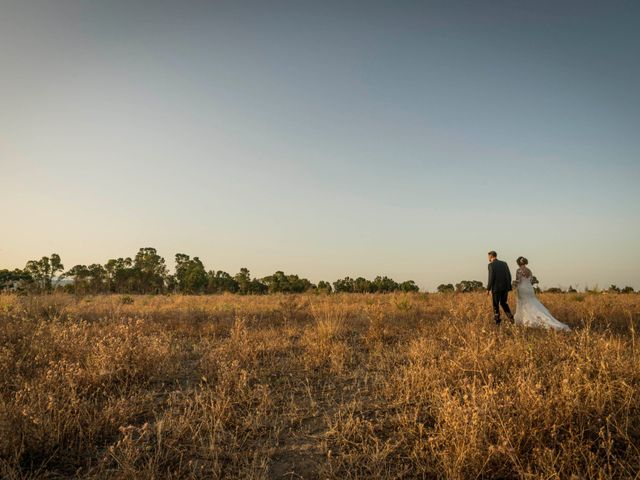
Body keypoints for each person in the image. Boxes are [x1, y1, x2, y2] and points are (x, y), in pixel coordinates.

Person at [513, 257, 570, 330]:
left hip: (522, 289)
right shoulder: (529, 270)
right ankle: (541, 317)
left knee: (523, 304)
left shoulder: (519, 270)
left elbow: (519, 281)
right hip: (530, 288)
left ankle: (527, 320)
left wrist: (514, 284)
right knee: (533, 303)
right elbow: (530, 280)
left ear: (518, 263)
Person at [486, 251, 514, 325]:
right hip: (505, 288)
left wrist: (488, 288)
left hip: (496, 288)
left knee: (495, 304)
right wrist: (508, 286)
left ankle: (497, 322)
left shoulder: (491, 265)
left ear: (491, 256)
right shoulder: (504, 263)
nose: (488, 258)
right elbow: (509, 275)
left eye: (488, 256)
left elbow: (491, 277)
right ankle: (511, 318)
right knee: (503, 303)